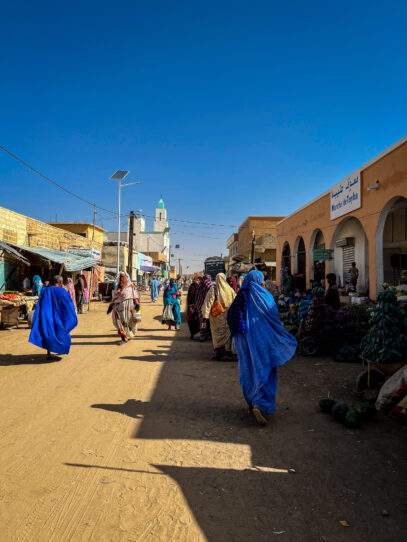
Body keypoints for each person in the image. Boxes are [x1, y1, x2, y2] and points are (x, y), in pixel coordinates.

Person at [227, 270, 297, 426]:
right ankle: (261, 404)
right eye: (262, 279)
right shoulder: (265, 297)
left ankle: (251, 403)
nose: (264, 282)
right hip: (263, 342)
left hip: (244, 343)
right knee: (266, 369)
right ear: (258, 281)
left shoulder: (241, 297)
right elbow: (274, 319)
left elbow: (231, 319)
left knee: (248, 370)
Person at [29, 275, 78, 360]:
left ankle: (48, 353)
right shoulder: (62, 291)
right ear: (60, 282)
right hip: (58, 317)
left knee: (48, 333)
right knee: (61, 333)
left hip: (47, 315)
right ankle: (59, 349)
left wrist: (45, 285)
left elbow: (41, 297)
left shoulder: (46, 290)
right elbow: (68, 304)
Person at [202, 273, 236, 360]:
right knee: (227, 335)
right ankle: (228, 353)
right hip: (228, 316)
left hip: (216, 317)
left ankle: (219, 353)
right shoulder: (230, 290)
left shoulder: (214, 290)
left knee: (217, 335)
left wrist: (205, 316)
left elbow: (207, 303)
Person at [110, 272, 140, 344]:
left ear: (127, 278)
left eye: (123, 278)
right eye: (120, 278)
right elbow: (114, 299)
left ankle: (129, 334)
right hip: (119, 310)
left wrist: (137, 304)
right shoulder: (117, 288)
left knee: (130, 322)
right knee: (120, 323)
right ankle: (123, 338)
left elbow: (135, 296)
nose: (121, 280)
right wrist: (110, 307)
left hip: (129, 309)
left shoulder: (131, 286)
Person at [194, 274, 213, 341]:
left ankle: (203, 335)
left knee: (202, 321)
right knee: (208, 321)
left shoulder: (200, 286)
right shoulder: (209, 286)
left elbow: (196, 297)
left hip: (200, 306)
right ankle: (207, 335)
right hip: (207, 306)